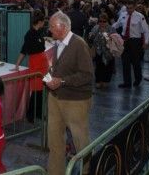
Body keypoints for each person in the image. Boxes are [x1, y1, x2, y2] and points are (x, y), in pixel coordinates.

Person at [46, 11, 93, 175]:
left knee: (81, 141)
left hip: (75, 100)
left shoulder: (79, 44)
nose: (49, 30)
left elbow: (87, 75)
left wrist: (62, 81)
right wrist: (51, 74)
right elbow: (60, 68)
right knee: (55, 140)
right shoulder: (58, 43)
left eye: (52, 27)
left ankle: (87, 171)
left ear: (63, 27)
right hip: (55, 98)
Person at [12, 10, 48, 122]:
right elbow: (24, 50)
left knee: (41, 89)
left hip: (42, 63)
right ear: (40, 22)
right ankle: (30, 114)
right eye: (43, 22)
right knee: (36, 89)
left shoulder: (39, 32)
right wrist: (17, 64)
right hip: (36, 63)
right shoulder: (30, 34)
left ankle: (38, 113)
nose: (44, 24)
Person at [113, 1, 149, 88]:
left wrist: (146, 42)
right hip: (124, 41)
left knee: (135, 62)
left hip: (135, 42)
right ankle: (127, 82)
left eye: (130, 8)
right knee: (125, 62)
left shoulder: (140, 16)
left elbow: (146, 30)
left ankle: (138, 79)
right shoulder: (123, 15)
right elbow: (117, 25)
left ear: (134, 7)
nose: (129, 10)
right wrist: (108, 27)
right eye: (127, 8)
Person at [88, 13, 116, 89]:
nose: (102, 23)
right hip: (98, 50)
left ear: (107, 21)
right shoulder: (96, 28)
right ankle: (98, 80)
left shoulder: (111, 29)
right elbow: (90, 38)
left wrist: (105, 33)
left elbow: (112, 40)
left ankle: (106, 81)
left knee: (108, 67)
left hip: (108, 51)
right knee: (98, 66)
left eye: (104, 21)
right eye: (100, 21)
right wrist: (92, 34)